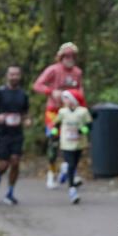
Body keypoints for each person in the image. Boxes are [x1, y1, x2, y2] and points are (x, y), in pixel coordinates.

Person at [33, 42, 84, 189]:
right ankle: (51, 173)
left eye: (72, 56)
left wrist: (82, 106)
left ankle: (69, 170)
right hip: (53, 112)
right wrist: (51, 92)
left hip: (71, 114)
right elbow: (37, 85)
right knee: (54, 140)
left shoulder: (77, 72)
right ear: (61, 57)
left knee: (73, 141)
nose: (70, 58)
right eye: (67, 56)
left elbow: (80, 90)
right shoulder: (53, 70)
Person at [0, 66, 32, 205]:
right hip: (3, 132)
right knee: (4, 164)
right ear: (7, 76)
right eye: (11, 74)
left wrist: (27, 120)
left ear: (20, 76)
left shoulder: (23, 94)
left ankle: (10, 192)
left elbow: (26, 111)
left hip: (17, 132)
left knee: (15, 161)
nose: (14, 77)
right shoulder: (0, 92)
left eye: (17, 74)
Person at [51, 89, 91, 204]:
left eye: (66, 98)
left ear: (73, 99)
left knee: (74, 164)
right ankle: (72, 189)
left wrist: (81, 130)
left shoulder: (83, 112)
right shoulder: (62, 112)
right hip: (66, 143)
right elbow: (56, 124)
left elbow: (89, 126)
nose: (64, 100)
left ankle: (64, 169)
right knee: (72, 165)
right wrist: (53, 135)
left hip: (79, 143)